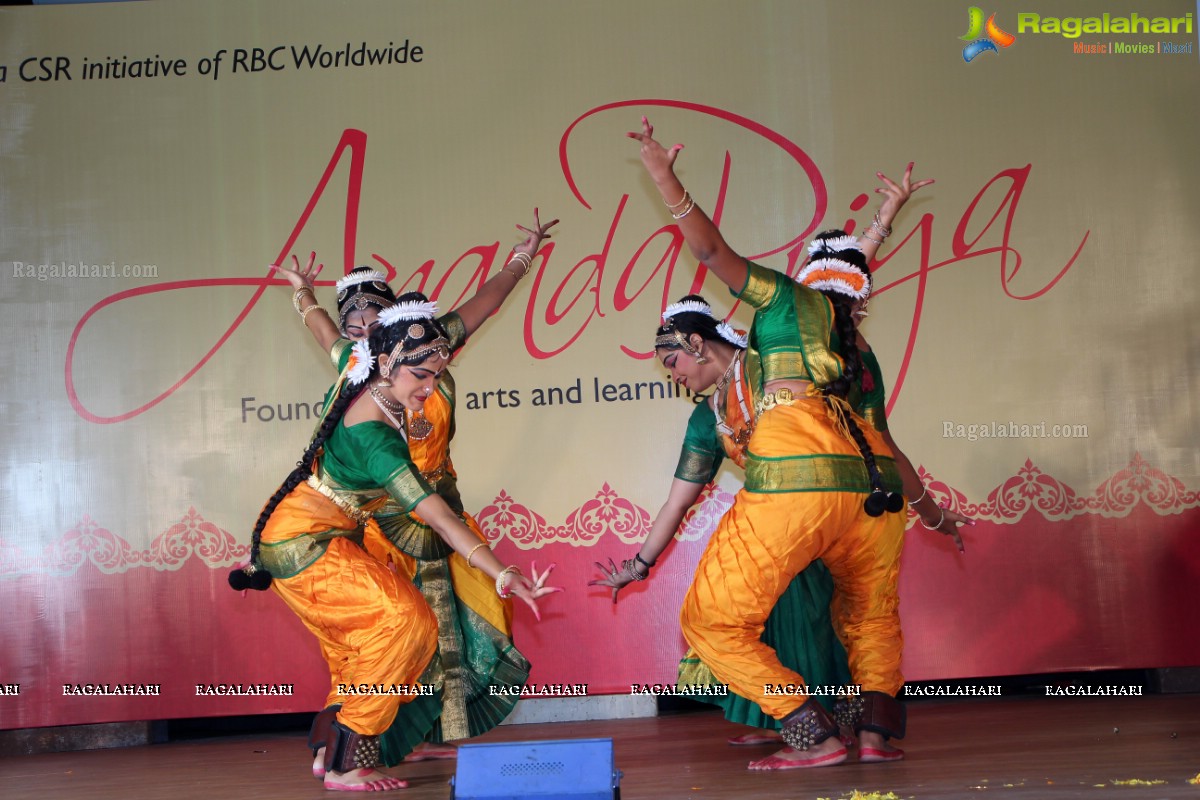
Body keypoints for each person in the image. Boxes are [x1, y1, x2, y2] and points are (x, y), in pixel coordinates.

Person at [621, 116, 970, 770]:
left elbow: (711, 254)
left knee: (711, 622)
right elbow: (886, 441)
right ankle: (873, 736)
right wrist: (933, 513)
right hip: (872, 495)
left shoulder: (783, 304)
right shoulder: (853, 346)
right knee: (870, 617)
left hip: (798, 483)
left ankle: (813, 734)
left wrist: (665, 179)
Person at [231, 293, 559, 791]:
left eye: (435, 376)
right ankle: (344, 760)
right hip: (305, 541)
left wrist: (304, 298)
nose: (429, 388)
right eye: (420, 377)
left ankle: (334, 751)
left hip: (307, 536)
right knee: (407, 622)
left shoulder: (368, 376)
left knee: (366, 643)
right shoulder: (377, 438)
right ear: (387, 364)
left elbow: (326, 332)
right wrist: (501, 572)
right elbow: (441, 520)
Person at [589, 296, 854, 757]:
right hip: (765, 525)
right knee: (745, 620)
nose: (674, 376)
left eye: (673, 362)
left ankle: (820, 735)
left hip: (813, 514)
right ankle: (783, 721)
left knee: (802, 622)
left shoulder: (767, 369)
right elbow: (677, 501)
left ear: (698, 343)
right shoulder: (707, 417)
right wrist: (638, 565)